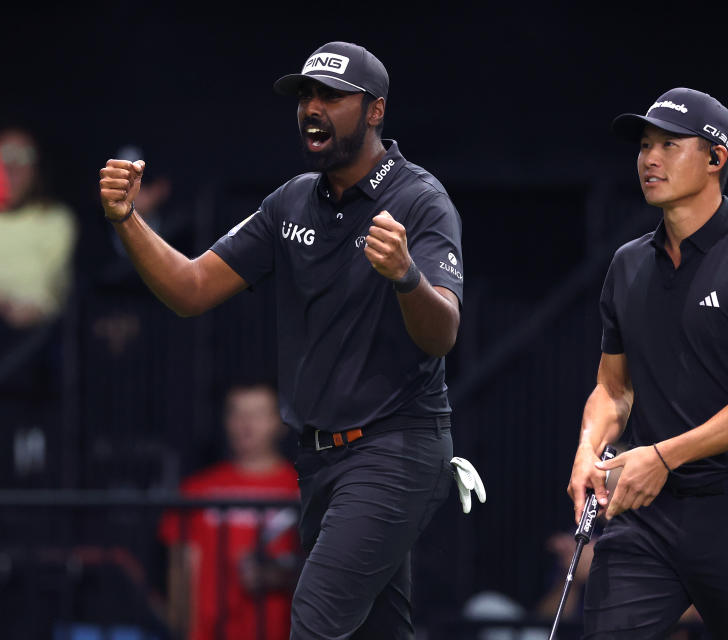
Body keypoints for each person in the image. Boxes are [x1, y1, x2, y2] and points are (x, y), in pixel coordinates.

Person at [99, 41, 465, 639]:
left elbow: (443, 331)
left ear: (374, 111)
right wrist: (126, 219)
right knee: (378, 631)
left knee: (314, 624)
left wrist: (406, 277)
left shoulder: (420, 201)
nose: (311, 107)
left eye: (330, 96)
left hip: (395, 448)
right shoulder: (291, 200)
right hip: (320, 460)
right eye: (305, 96)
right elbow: (190, 288)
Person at [567, 87, 728, 638]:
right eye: (644, 146)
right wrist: (588, 450)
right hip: (647, 514)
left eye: (669, 145)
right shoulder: (628, 265)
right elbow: (613, 389)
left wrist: (663, 456)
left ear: (715, 159)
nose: (649, 159)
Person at [158, 382, 300, 640]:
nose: (246, 425)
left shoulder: (300, 488)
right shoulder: (196, 490)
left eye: (257, 415)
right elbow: (181, 568)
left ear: (280, 423)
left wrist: (280, 576)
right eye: (237, 414)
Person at [0, 128, 77, 330]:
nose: (12, 167)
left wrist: (36, 310)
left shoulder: (56, 220)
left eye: (24, 156)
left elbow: (52, 293)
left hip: (37, 340)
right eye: (5, 154)